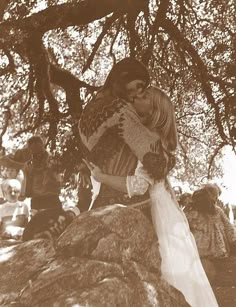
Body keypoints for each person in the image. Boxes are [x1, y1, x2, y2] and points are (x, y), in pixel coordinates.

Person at [82, 84, 218, 306]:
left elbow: (138, 186)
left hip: (154, 212)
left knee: (160, 275)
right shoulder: (150, 138)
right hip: (161, 208)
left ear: (155, 110)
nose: (135, 97)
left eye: (143, 96)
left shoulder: (150, 141)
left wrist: (101, 176)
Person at [79, 58, 175, 216]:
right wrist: (168, 158)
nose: (137, 94)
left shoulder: (85, 115)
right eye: (138, 86)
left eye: (142, 91)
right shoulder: (120, 110)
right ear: (123, 78)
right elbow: (157, 164)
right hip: (124, 207)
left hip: (99, 202)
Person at [0, 136, 63, 215]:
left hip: (52, 199)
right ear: (30, 150)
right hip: (37, 201)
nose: (37, 156)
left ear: (42, 148)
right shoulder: (28, 162)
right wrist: (21, 165)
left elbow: (59, 181)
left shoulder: (51, 161)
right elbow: (3, 160)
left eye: (39, 152)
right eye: (34, 153)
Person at [185, 186, 236, 259]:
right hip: (217, 247)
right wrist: (233, 239)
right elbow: (228, 226)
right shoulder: (217, 210)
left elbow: (186, 223)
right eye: (216, 196)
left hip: (199, 246)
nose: (217, 198)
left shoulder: (194, 210)